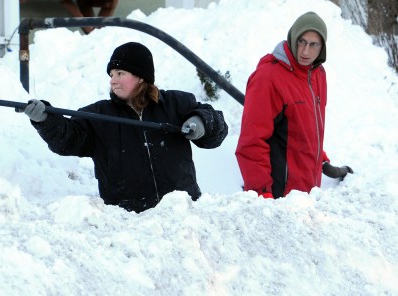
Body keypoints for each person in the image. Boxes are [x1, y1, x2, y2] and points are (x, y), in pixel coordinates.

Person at [24, 42, 228, 213]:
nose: (113, 80)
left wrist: (201, 123)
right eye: (111, 75)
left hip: (183, 214)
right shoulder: (99, 116)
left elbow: (216, 124)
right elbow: (67, 139)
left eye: (120, 73)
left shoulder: (176, 104)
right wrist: (45, 119)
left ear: (141, 76)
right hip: (128, 223)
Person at [235, 11, 353, 199]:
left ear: (322, 47)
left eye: (313, 44)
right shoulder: (268, 78)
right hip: (279, 197)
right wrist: (262, 194)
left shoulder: (317, 74)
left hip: (307, 194)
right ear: (292, 38)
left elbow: (306, 126)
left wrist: (320, 159)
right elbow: (252, 142)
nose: (306, 51)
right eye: (301, 42)